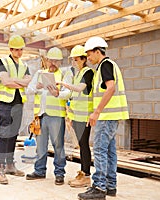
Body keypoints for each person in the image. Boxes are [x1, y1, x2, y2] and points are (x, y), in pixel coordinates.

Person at [78, 37, 129, 200]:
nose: (88, 57)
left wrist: (97, 112)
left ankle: (99, 187)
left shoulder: (105, 65)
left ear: (97, 51)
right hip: (111, 116)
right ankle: (110, 186)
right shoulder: (107, 66)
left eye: (89, 54)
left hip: (106, 116)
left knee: (100, 150)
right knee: (109, 151)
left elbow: (111, 88)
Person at [26, 47, 72, 185]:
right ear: (47, 60)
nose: (53, 63)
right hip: (40, 115)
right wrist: (37, 87)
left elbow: (68, 92)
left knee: (58, 145)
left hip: (56, 115)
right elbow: (28, 90)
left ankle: (59, 173)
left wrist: (59, 93)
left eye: (56, 61)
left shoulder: (65, 75)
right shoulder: (40, 74)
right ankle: (39, 171)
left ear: (60, 62)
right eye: (51, 60)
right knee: (40, 145)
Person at [0, 35, 32, 185]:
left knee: (13, 134)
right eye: (17, 50)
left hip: (18, 103)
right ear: (11, 49)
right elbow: (5, 81)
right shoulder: (2, 62)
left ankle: (10, 165)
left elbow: (27, 82)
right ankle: (0, 168)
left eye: (21, 50)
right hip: (5, 103)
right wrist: (21, 83)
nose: (20, 52)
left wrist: (15, 82)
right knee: (4, 135)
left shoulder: (24, 65)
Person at [59, 45, 94, 188]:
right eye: (73, 60)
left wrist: (63, 84)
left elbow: (79, 89)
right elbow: (74, 96)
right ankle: (83, 172)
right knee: (81, 145)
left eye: (76, 59)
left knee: (84, 145)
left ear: (84, 59)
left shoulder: (88, 72)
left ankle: (86, 175)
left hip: (85, 116)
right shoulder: (78, 74)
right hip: (78, 116)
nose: (74, 62)